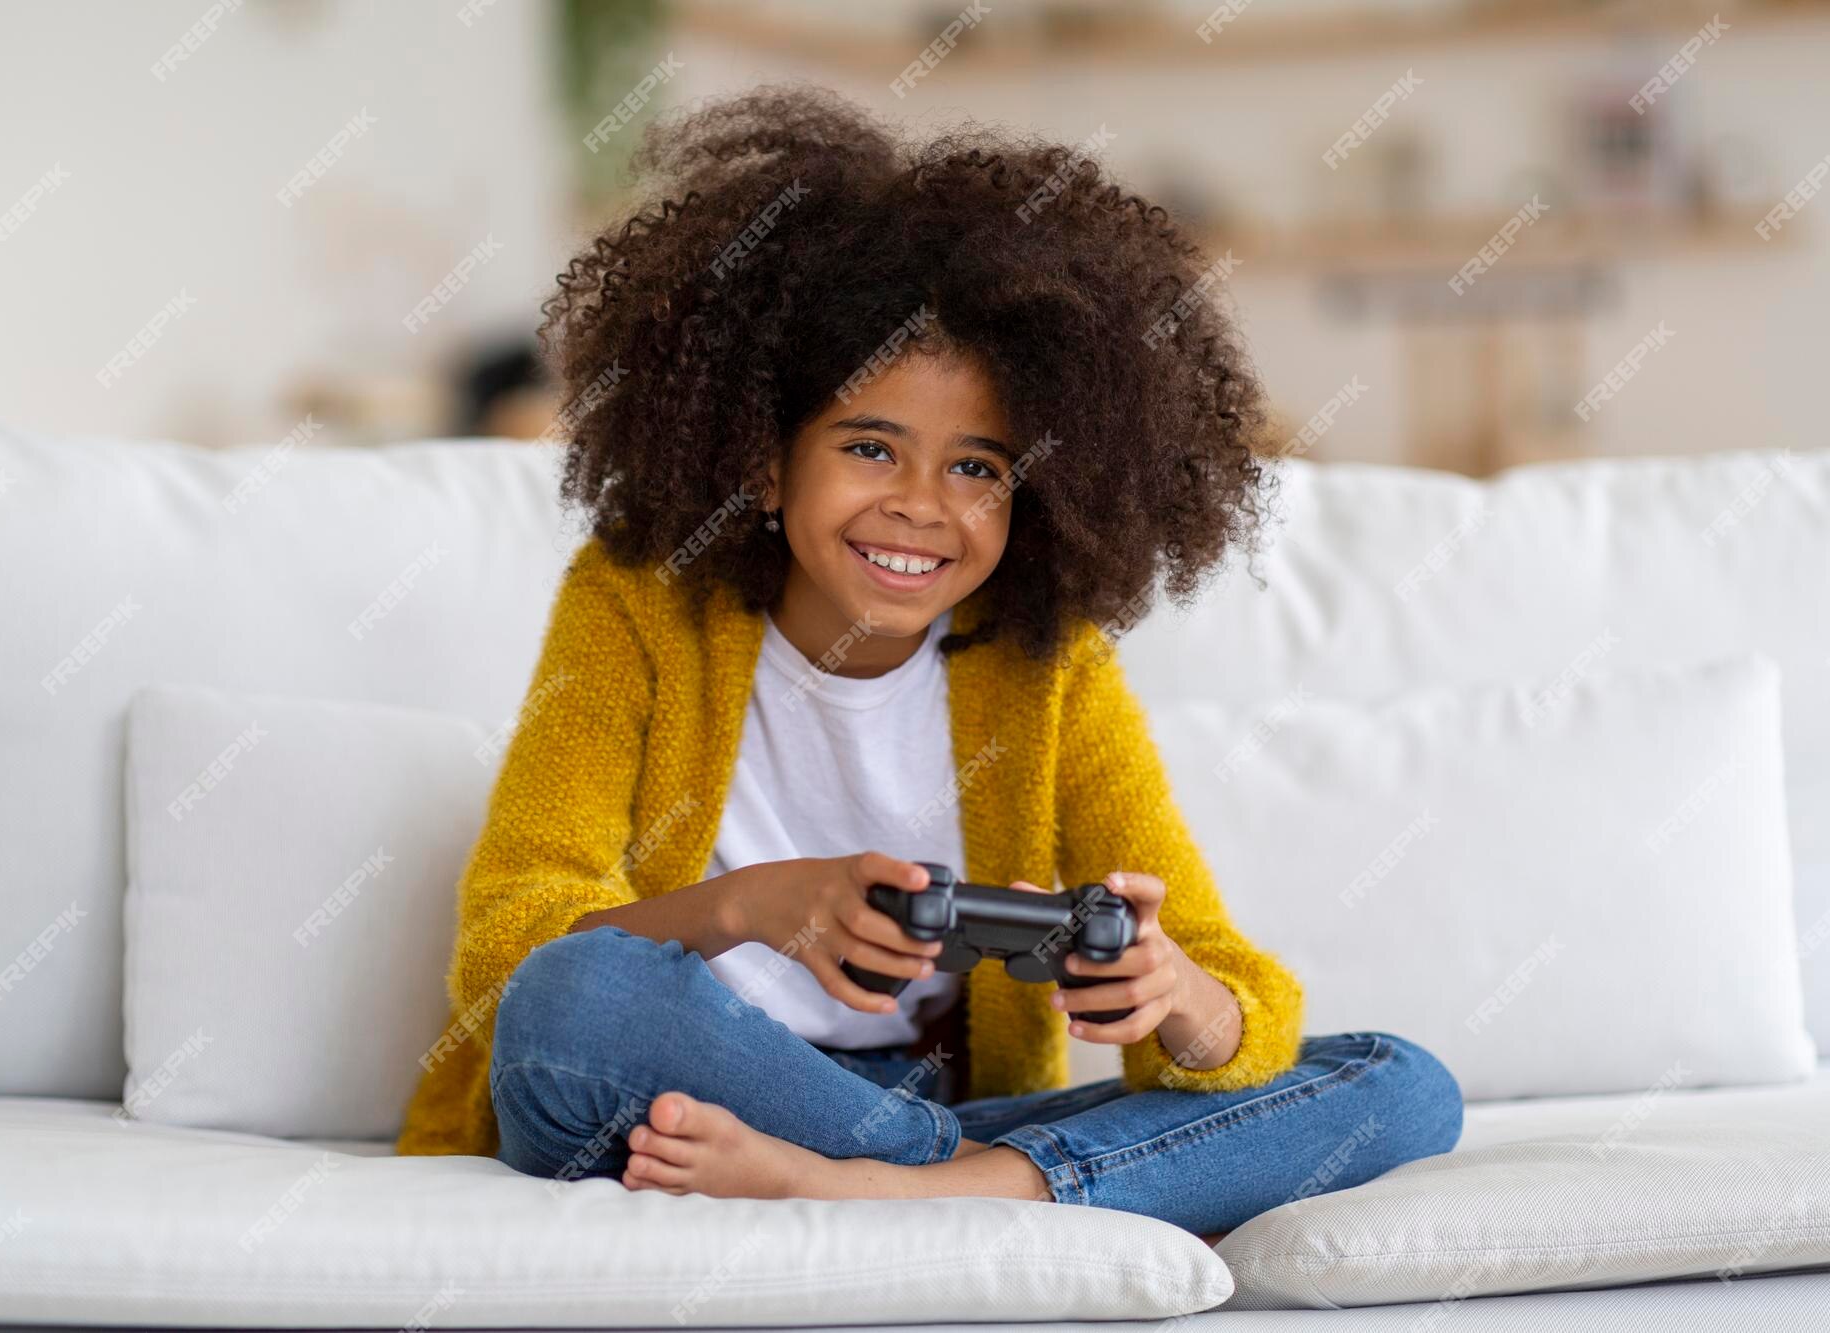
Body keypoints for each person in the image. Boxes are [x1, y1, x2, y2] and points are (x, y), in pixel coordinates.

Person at [395, 84, 1463, 1236]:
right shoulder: (638, 604)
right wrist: (759, 904)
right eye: (869, 447)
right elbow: (509, 953)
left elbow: (1224, 993)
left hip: (936, 1114)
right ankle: (970, 1183)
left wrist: (1177, 999)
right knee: (577, 987)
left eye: (976, 469)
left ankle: (895, 1187)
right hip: (678, 1099)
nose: (919, 508)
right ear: (761, 458)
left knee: (1398, 1081)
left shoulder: (1045, 665)